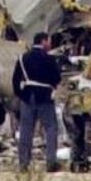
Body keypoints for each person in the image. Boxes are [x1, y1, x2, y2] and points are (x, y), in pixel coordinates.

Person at [11, 32, 62, 172]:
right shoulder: (50, 59)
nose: (50, 44)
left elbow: (15, 80)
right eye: (49, 41)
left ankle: (23, 164)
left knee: (26, 130)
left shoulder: (22, 58)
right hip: (45, 97)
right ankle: (51, 161)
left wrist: (22, 94)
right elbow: (57, 78)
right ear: (43, 41)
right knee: (51, 128)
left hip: (28, 96)